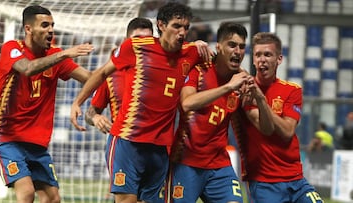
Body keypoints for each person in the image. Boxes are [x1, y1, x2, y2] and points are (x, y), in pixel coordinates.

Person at [70, 2, 211, 203]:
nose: (182, 32)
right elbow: (100, 74)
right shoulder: (133, 50)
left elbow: (221, 62)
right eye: (176, 26)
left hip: (160, 147)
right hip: (128, 142)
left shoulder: (191, 53)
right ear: (161, 25)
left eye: (186, 28)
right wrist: (78, 103)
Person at [0, 5, 93, 203]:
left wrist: (113, 70)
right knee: (27, 192)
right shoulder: (11, 48)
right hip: (6, 136)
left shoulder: (55, 55)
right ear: (28, 29)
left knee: (52, 198)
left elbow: (90, 79)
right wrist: (63, 54)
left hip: (37, 142)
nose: (51, 30)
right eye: (45, 25)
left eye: (52, 25)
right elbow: (28, 68)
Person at [166, 22, 249, 203]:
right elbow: (187, 103)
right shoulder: (199, 71)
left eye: (242, 47)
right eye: (232, 45)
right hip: (186, 162)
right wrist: (227, 87)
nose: (238, 51)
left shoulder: (241, 82)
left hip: (219, 166)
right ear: (218, 47)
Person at [238, 32, 323, 203]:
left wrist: (261, 99)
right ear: (253, 60)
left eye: (268, 54)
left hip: (296, 179)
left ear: (279, 59)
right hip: (263, 181)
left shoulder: (292, 90)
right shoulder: (245, 91)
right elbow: (266, 129)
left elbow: (287, 131)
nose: (262, 59)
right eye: (258, 55)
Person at [85, 17, 154, 133]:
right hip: (122, 143)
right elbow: (90, 113)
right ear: (125, 41)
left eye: (147, 40)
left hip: (157, 144)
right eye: (136, 40)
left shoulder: (166, 69)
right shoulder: (110, 74)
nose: (141, 45)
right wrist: (95, 117)